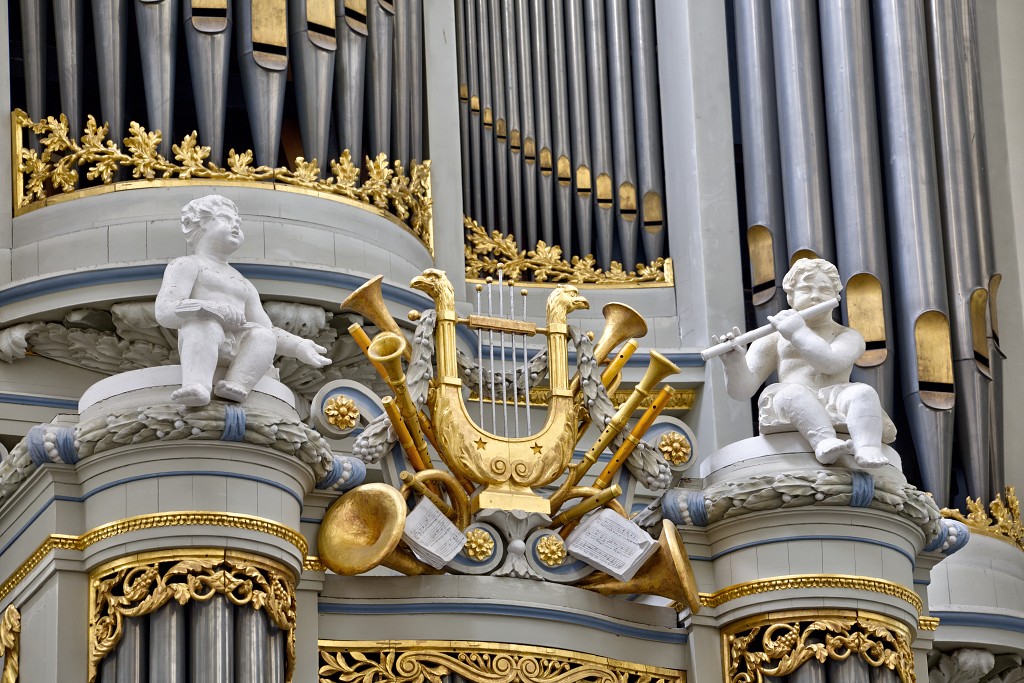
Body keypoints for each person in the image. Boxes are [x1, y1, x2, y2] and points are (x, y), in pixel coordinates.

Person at [713, 258, 892, 467]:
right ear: (791, 297)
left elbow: (830, 363)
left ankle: (867, 446)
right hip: (793, 400)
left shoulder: (848, 336)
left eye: (824, 289)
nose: (816, 296)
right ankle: (824, 441)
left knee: (864, 393)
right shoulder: (773, 338)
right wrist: (734, 363)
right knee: (792, 393)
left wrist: (798, 332)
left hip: (836, 396)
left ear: (836, 296)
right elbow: (742, 391)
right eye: (806, 289)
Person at [156, 195, 331, 406]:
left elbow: (268, 328)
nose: (236, 227)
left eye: (238, 223)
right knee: (204, 324)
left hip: (238, 346)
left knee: (263, 336)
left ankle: (237, 382)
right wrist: (207, 308)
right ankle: (197, 385)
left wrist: (298, 345)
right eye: (226, 220)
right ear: (202, 222)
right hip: (203, 338)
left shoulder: (243, 283)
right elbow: (165, 311)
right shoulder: (186, 265)